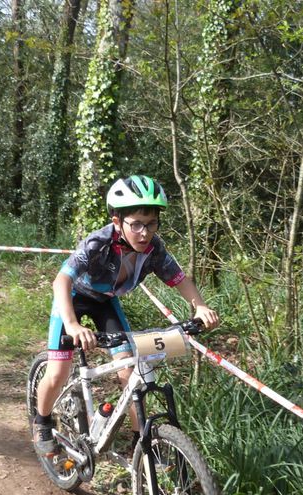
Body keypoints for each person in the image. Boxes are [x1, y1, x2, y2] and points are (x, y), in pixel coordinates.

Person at [32, 175, 220, 456]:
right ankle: (42, 421)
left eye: (151, 223)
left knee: (130, 370)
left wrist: (200, 306)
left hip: (106, 302)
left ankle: (140, 444)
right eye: (136, 224)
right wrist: (71, 324)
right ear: (118, 222)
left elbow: (180, 279)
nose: (145, 233)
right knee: (58, 371)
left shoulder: (155, 249)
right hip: (73, 299)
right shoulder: (98, 242)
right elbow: (61, 281)